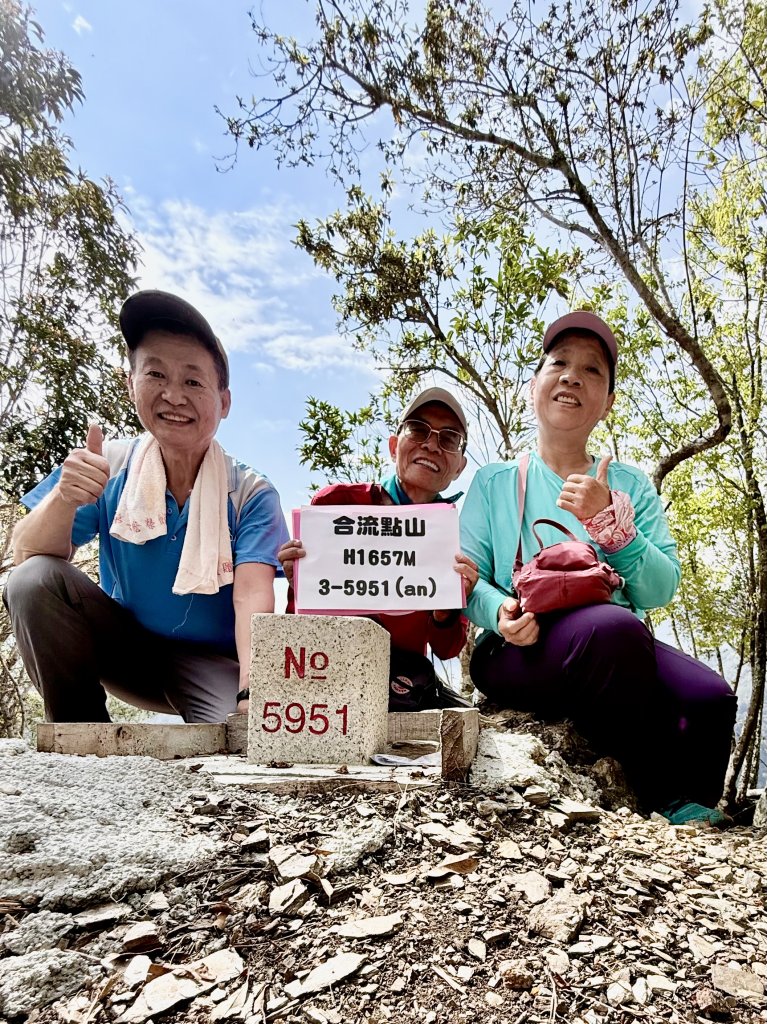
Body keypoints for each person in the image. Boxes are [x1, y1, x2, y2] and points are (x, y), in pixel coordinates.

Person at [460, 311, 737, 826]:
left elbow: (660, 588)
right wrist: (500, 612)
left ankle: (691, 805)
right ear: (533, 387)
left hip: (618, 642)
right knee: (612, 630)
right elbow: (467, 579)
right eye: (559, 363)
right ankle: (657, 793)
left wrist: (614, 525)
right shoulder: (494, 482)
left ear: (607, 403)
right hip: (515, 649)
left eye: (591, 371)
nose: (571, 376)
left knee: (711, 698)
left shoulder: (629, 484)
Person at [4, 290, 289, 724]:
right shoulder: (110, 466)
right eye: (156, 374)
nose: (174, 396)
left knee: (232, 736)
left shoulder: (250, 492)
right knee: (33, 580)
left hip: (212, 664)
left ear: (224, 402)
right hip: (125, 650)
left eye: (193, 381)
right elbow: (25, 553)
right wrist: (64, 498)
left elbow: (252, 593)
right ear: (131, 383)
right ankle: (78, 734)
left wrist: (253, 695)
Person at [275, 387, 479, 711]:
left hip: (401, 691)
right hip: (326, 676)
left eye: (449, 438)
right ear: (394, 446)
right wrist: (300, 579)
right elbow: (298, 624)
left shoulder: (452, 536)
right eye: (418, 429)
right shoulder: (336, 503)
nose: (431, 444)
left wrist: (448, 605)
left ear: (459, 467)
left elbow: (447, 648)